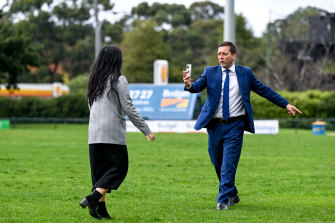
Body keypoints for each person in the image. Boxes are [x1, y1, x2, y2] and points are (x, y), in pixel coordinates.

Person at [183, 41, 302, 210]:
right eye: (219, 54)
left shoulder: (245, 73)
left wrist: (285, 104)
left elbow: (264, 90)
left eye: (224, 54)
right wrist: (188, 84)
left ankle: (223, 200)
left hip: (235, 125)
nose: (221, 57)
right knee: (217, 163)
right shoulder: (210, 72)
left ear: (234, 55)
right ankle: (232, 193)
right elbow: (196, 87)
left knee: (228, 164)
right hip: (215, 126)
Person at [80, 45, 155, 219]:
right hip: (112, 132)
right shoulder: (119, 80)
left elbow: (90, 105)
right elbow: (128, 107)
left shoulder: (93, 80)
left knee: (100, 173)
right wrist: (145, 129)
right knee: (119, 168)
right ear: (117, 60)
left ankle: (101, 210)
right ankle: (92, 198)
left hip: (94, 132)